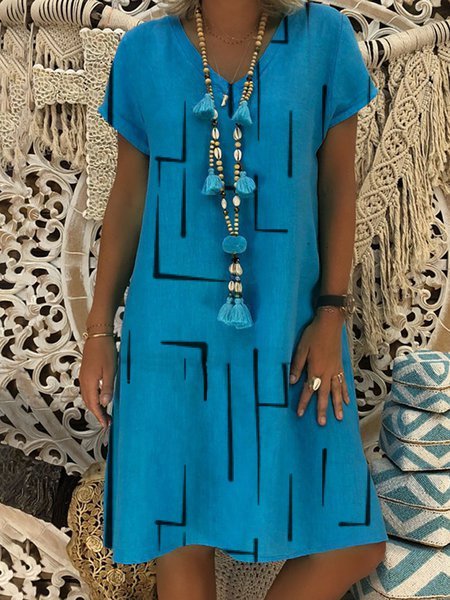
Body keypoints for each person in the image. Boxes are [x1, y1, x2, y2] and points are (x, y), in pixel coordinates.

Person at [79, 0, 388, 598]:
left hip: (289, 335)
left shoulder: (323, 38)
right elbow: (128, 200)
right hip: (167, 339)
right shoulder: (144, 52)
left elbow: (338, 187)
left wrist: (330, 315)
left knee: (352, 541)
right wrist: (98, 333)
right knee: (180, 531)